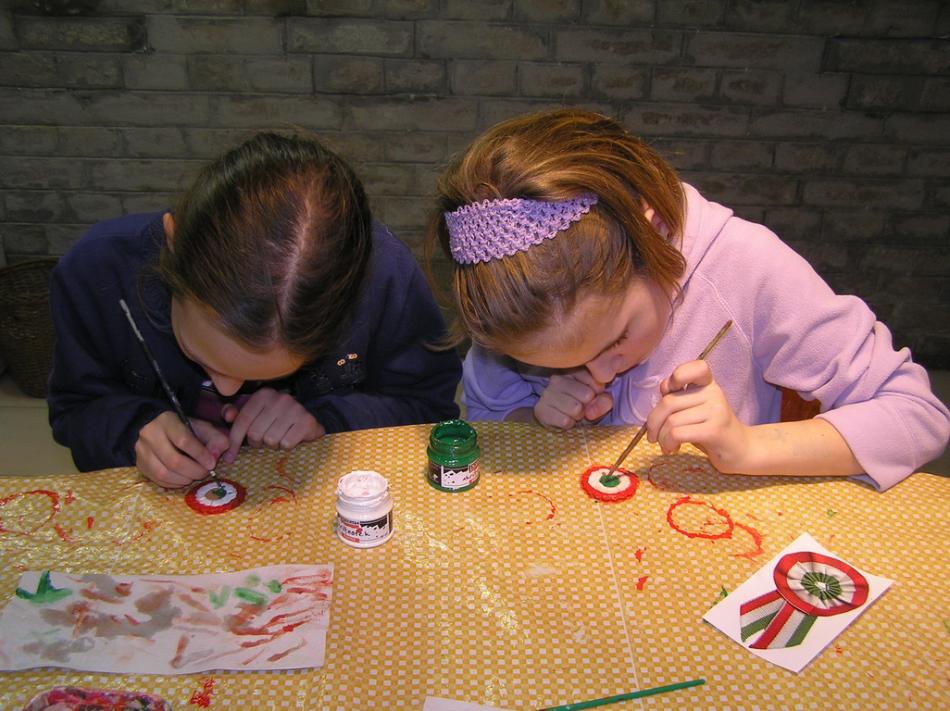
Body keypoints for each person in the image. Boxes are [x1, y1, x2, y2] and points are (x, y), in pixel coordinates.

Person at [427, 109, 949, 491]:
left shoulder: (748, 267)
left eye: (615, 340)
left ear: (652, 234)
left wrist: (746, 447)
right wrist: (533, 419)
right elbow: (490, 420)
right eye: (550, 367)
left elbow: (916, 415)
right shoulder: (513, 296)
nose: (599, 374)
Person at [49, 132, 461, 487]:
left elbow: (429, 408)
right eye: (199, 355)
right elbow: (74, 410)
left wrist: (328, 419)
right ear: (173, 245)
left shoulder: (384, 277)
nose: (228, 390)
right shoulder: (96, 272)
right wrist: (132, 429)